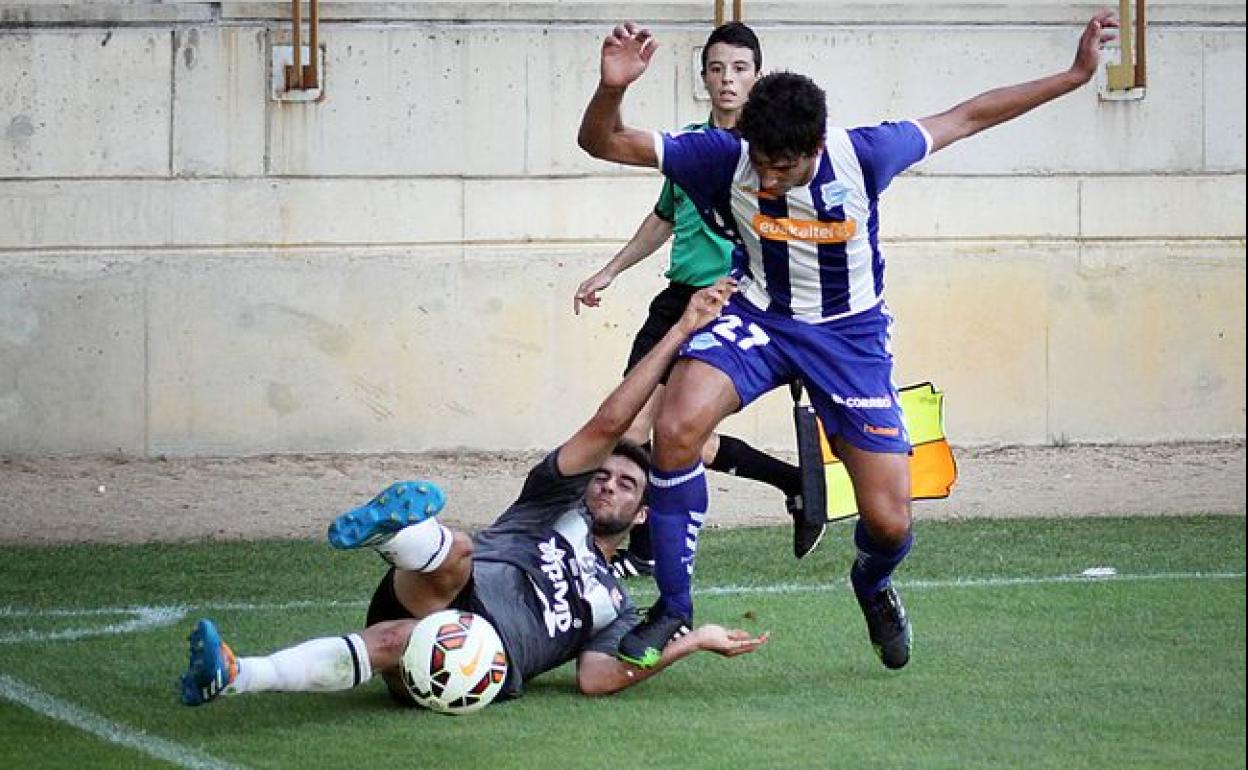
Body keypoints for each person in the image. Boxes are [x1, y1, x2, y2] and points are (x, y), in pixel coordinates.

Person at [576, 12, 1120, 670]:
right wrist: (612, 88)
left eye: (783, 169)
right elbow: (602, 142)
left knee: (890, 521)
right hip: (762, 317)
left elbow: (970, 116)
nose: (767, 181)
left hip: (848, 337)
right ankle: (673, 605)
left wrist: (1076, 75)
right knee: (676, 425)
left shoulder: (865, 154)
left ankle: (872, 582)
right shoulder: (725, 155)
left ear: (815, 147)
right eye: (761, 166)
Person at [179, 277, 769, 709]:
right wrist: (681, 330)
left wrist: (692, 642)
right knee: (460, 548)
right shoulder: (553, 502)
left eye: (625, 485)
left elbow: (597, 678)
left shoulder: (617, 607)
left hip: (484, 658)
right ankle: (397, 536)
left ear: (642, 514)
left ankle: (236, 674)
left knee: (405, 639)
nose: (607, 484)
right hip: (445, 586)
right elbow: (610, 423)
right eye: (602, 476)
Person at [574, 22, 825, 575]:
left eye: (739, 69)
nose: (727, 79)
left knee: (652, 429)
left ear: (758, 77)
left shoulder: (772, 156)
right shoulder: (689, 146)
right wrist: (610, 270)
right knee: (659, 429)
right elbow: (663, 217)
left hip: (726, 302)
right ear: (704, 78)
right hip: (676, 298)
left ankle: (645, 549)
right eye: (716, 69)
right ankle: (793, 481)